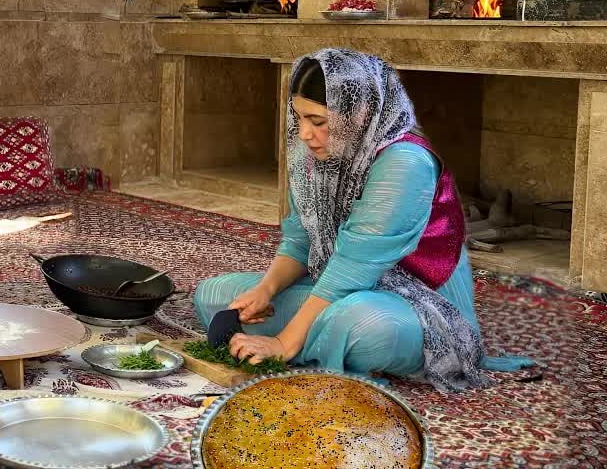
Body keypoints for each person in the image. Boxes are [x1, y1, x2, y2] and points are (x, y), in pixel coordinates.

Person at [194, 48, 531, 392]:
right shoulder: (314, 153)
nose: (305, 134)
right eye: (300, 119)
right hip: (333, 290)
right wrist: (266, 290)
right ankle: (320, 337)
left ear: (361, 113)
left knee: (359, 324)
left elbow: (355, 265)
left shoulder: (405, 162)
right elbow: (300, 241)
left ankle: (313, 341)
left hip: (415, 303)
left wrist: (284, 343)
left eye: (319, 122)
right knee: (215, 295)